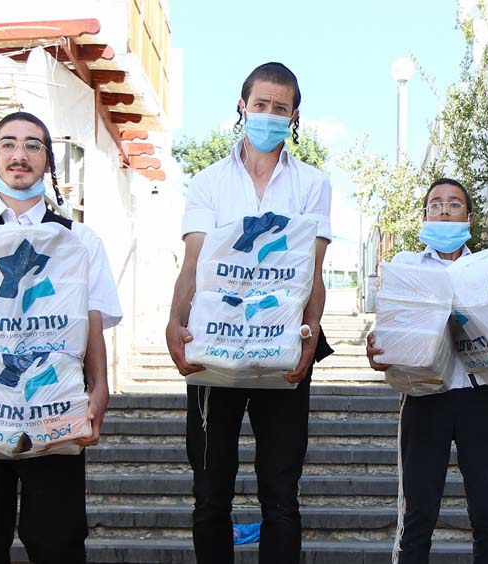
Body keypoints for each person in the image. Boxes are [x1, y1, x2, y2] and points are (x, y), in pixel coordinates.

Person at [0, 111, 122, 564]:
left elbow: (91, 320)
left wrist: (100, 388)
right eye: (8, 144)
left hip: (55, 407)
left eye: (33, 145)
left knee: (58, 543)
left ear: (48, 162)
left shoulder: (80, 240)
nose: (20, 154)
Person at [165, 62, 333, 564]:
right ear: (242, 107)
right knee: (209, 492)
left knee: (281, 495)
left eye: (280, 108)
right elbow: (193, 263)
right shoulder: (209, 182)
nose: (269, 115)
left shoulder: (312, 184)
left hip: (282, 349)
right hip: (214, 348)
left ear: (294, 117)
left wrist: (311, 334)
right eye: (260, 104)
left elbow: (314, 270)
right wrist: (175, 322)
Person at [366, 178, 488, 564]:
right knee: (418, 517)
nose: (444, 211)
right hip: (423, 399)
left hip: (477, 398)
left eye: (454, 204)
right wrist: (377, 351)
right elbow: (389, 331)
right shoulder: (406, 268)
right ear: (424, 216)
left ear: (469, 217)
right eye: (435, 204)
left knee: (487, 513)